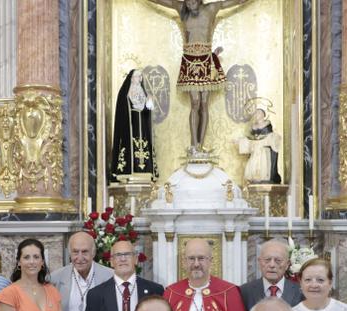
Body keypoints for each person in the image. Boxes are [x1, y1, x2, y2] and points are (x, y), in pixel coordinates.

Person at [143, 0, 254, 153]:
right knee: (194, 102)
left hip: (206, 60)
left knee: (204, 103)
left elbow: (235, 2)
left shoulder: (212, 8)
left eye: (192, 2)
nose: (190, 4)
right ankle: (194, 145)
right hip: (189, 60)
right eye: (187, 2)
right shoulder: (181, 7)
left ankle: (201, 146)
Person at [109, 69, 158, 183]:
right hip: (130, 127)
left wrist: (149, 102)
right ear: (131, 78)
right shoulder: (125, 93)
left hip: (142, 126)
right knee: (129, 146)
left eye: (140, 76)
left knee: (144, 146)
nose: (139, 78)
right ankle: (127, 171)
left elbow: (147, 109)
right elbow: (122, 111)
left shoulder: (143, 92)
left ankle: (146, 171)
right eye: (137, 76)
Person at [239, 239, 304, 311]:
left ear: (287, 264)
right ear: (259, 262)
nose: (272, 265)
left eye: (278, 260)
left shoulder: (300, 291)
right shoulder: (244, 291)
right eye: (267, 260)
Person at [237, 104, 283, 184]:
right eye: (255, 113)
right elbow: (251, 140)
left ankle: (265, 178)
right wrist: (241, 142)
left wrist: (267, 140)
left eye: (259, 112)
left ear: (263, 114)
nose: (256, 114)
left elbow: (271, 138)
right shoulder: (253, 127)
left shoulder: (267, 125)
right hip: (255, 151)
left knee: (263, 166)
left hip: (264, 151)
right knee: (254, 165)